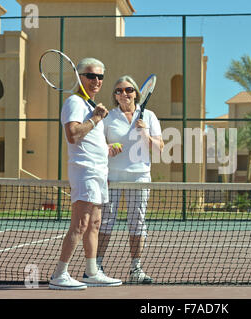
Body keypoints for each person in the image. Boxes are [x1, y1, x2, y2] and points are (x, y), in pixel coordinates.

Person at [49, 58, 122, 290]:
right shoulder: (74, 102)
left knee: (95, 224)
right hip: (85, 171)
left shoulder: (91, 106)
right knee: (80, 223)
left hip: (99, 172)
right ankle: (59, 274)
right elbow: (72, 134)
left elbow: (89, 140)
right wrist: (96, 119)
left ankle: (91, 272)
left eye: (100, 76)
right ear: (79, 77)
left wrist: (107, 150)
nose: (97, 81)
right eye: (91, 76)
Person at [98, 75, 164, 284]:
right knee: (106, 223)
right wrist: (108, 150)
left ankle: (136, 270)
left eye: (128, 90)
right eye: (118, 91)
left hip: (140, 176)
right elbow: (98, 148)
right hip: (112, 177)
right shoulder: (108, 118)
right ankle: (96, 266)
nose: (123, 94)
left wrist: (145, 134)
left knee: (137, 223)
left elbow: (159, 147)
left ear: (136, 93)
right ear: (114, 95)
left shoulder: (149, 116)